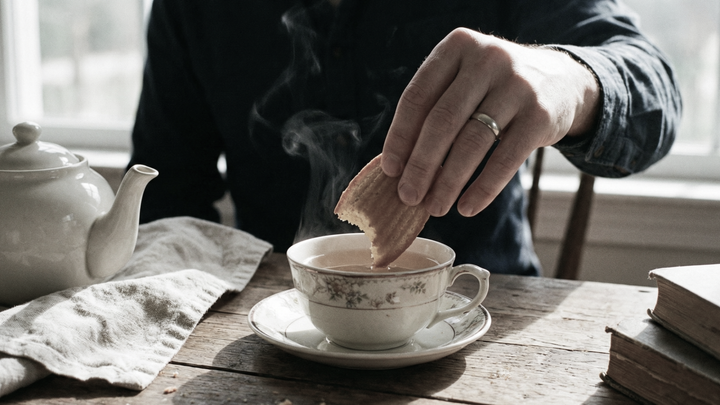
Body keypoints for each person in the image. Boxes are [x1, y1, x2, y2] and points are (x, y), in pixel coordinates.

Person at [129, 0, 682, 276]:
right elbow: (166, 190)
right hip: (277, 322)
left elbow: (650, 84)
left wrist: (569, 81)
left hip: (483, 305)